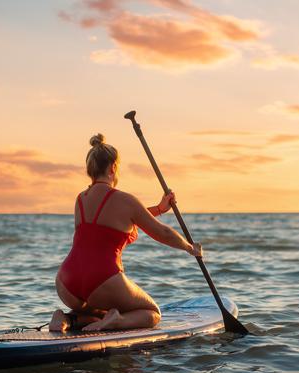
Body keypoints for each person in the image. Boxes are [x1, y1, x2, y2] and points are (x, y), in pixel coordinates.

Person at [50, 133, 202, 332]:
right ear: (113, 167)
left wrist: (158, 209)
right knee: (151, 313)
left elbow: (114, 223)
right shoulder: (124, 200)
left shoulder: (81, 199)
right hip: (102, 279)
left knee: (99, 312)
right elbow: (161, 232)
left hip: (66, 282)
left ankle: (65, 319)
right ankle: (117, 321)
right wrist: (190, 248)